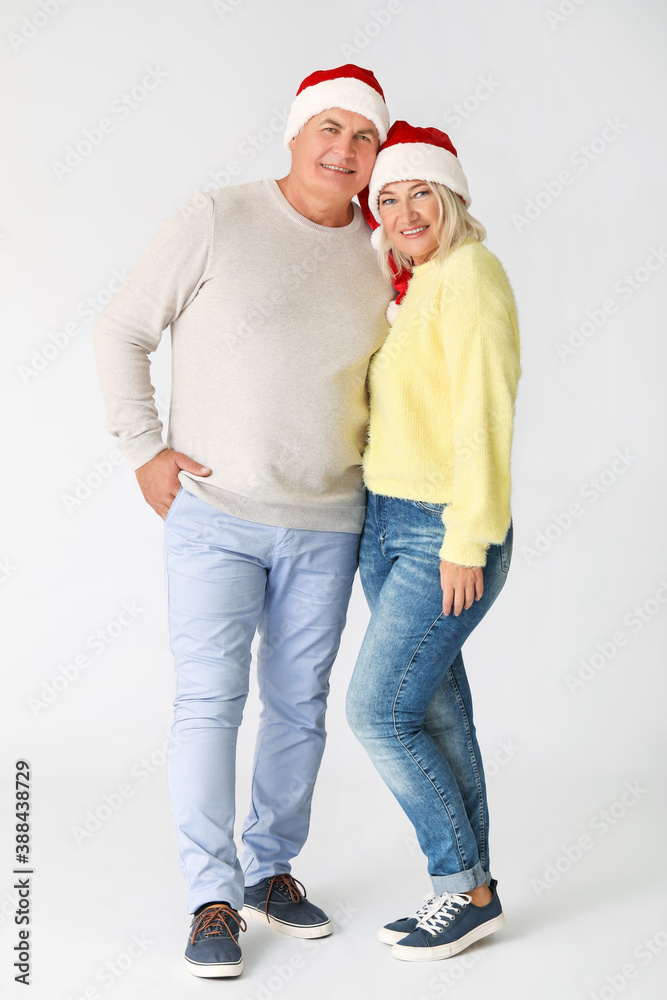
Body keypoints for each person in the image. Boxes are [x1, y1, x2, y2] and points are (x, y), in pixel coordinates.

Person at [93, 64, 392, 978]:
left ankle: (269, 870)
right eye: (328, 129)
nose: (342, 149)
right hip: (214, 513)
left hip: (330, 519)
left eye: (363, 137)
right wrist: (144, 446)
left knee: (298, 707)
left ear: (377, 154)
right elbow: (122, 329)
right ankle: (209, 896)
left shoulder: (383, 253)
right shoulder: (217, 217)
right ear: (296, 133)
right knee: (210, 705)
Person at [346, 121, 521, 962]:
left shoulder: (470, 274)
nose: (405, 209)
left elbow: (482, 419)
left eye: (420, 191)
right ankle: (469, 891)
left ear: (450, 197)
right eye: (387, 197)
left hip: (441, 528)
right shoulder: (413, 288)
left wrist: (468, 539)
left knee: (377, 712)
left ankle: (464, 888)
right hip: (384, 523)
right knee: (438, 714)